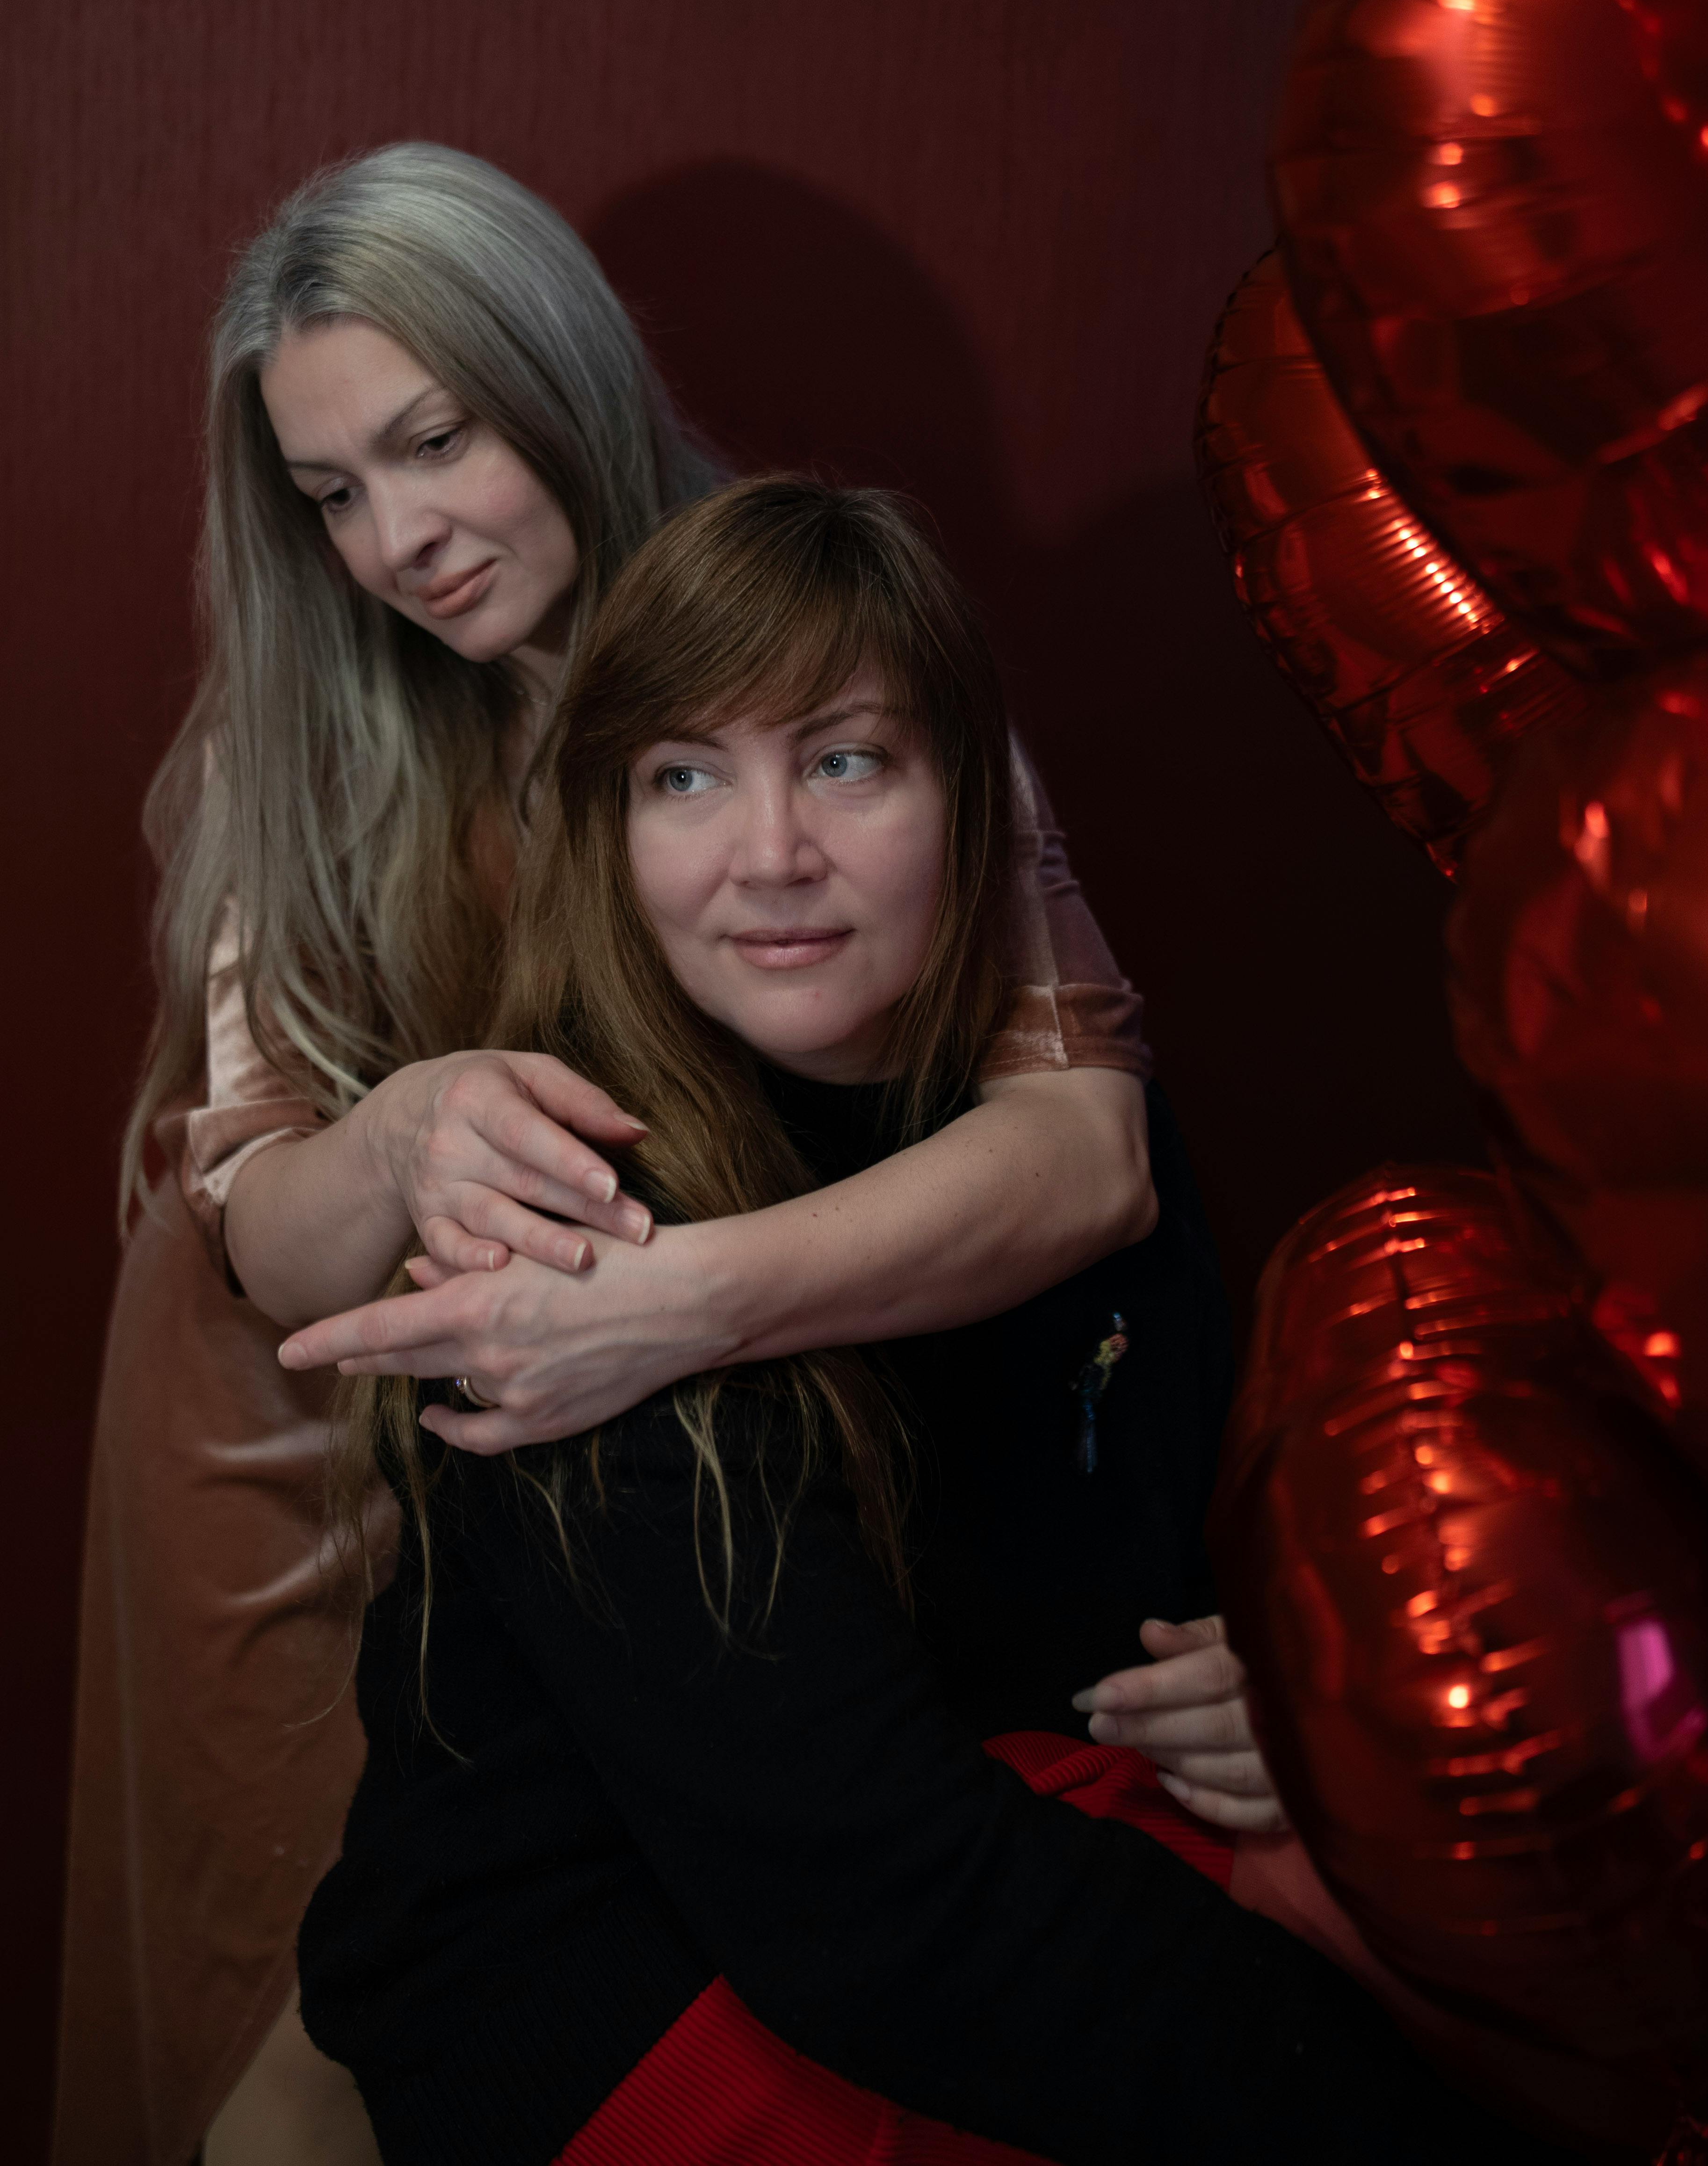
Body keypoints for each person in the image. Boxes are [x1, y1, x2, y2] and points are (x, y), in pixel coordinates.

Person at [55, 144, 1262, 2166]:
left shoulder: (818, 633)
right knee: (310, 2034)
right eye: (332, 492)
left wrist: (668, 1315)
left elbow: (1090, 1148)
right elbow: (258, 1217)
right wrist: (409, 1124)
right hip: (321, 1448)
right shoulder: (313, 735)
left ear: (561, 371)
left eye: (437, 441)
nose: (402, 541)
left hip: (707, 1450)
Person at [298, 476, 1565, 2166]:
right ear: (607, 830)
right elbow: (880, 1913)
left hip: (932, 1849)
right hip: (608, 1993)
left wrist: (1283, 1701)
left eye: (843, 760)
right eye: (685, 776)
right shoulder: (570, 1228)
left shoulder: (1050, 1128)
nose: (769, 858)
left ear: (974, 799)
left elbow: (1125, 1566)